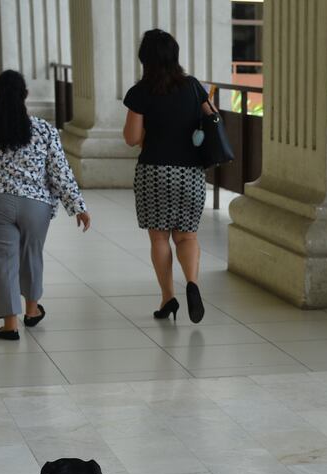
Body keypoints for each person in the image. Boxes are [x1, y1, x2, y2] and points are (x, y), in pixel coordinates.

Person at [0, 70, 91, 340]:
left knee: (1, 261)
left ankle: (9, 325)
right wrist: (77, 206)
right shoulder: (43, 129)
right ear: (25, 95)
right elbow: (59, 171)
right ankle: (31, 310)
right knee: (32, 254)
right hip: (35, 205)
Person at [122, 29, 213, 323]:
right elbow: (212, 118)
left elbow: (132, 138)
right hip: (190, 173)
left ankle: (167, 298)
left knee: (159, 237)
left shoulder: (140, 92)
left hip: (155, 172)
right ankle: (193, 283)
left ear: (144, 59)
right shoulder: (193, 87)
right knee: (186, 236)